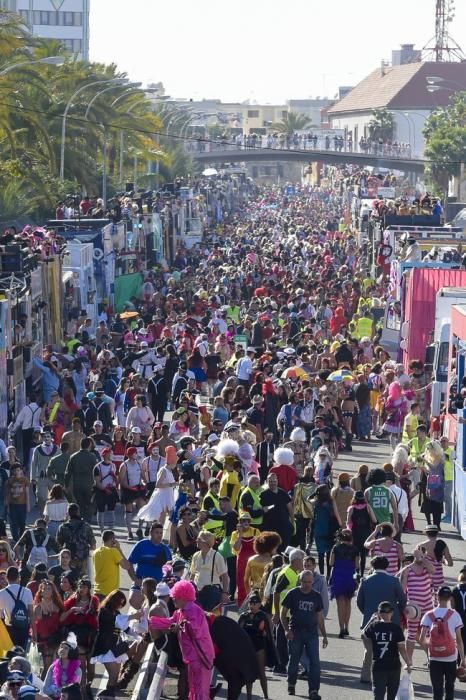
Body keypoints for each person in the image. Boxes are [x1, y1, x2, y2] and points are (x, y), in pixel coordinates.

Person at [149, 580, 215, 700]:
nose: (173, 600)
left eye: (175, 598)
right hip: (191, 657)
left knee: (200, 689)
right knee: (194, 688)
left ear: (183, 598)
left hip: (200, 657)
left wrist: (180, 626)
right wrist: (151, 621)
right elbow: (170, 621)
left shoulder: (195, 610)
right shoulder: (180, 611)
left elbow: (195, 629)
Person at [357, 556, 407, 684]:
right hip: (391, 620)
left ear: (373, 566)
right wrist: (396, 613)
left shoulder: (365, 580)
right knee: (392, 649)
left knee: (369, 649)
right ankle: (391, 676)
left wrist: (368, 613)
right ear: (387, 566)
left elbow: (359, 602)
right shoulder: (394, 581)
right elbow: (402, 600)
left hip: (370, 620)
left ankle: (366, 675)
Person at [280, 569, 328, 700]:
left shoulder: (316, 596)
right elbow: (283, 613)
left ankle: (313, 690)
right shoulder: (293, 594)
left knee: (315, 663)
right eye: (304, 582)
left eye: (310, 582)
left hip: (311, 633)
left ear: (313, 582)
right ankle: (291, 682)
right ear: (300, 581)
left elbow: (319, 617)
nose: (307, 584)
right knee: (294, 660)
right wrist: (286, 629)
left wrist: (324, 635)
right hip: (295, 632)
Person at [90, 590, 145, 698]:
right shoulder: (104, 611)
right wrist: (133, 616)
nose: (121, 605)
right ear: (114, 600)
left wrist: (139, 637)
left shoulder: (116, 613)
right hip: (104, 647)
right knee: (113, 675)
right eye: (120, 602)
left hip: (114, 647)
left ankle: (106, 696)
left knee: (114, 677)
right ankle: (104, 696)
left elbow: (126, 629)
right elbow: (117, 621)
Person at [419, 586, 465, 700]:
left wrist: (429, 652)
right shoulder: (455, 615)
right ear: (450, 598)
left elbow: (421, 639)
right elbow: (459, 640)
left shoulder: (429, 615)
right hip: (451, 657)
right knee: (450, 688)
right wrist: (463, 659)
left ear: (437, 597)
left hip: (434, 658)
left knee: (437, 690)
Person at [364, 600, 411, 700]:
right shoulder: (396, 628)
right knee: (392, 694)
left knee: (378, 693)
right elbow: (402, 648)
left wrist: (371, 620)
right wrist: (408, 662)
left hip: (378, 665)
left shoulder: (374, 626)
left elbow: (364, 634)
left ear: (379, 613)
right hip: (393, 665)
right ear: (392, 613)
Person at [399, 545, 434, 665]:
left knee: (430, 632)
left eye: (423, 554)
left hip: (428, 605)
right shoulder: (407, 569)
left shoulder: (426, 566)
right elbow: (402, 589)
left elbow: (433, 570)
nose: (421, 556)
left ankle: (431, 659)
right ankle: (408, 662)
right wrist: (404, 606)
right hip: (414, 607)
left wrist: (422, 558)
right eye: (418, 554)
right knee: (412, 634)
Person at [238, 591, 274, 700]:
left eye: (255, 603)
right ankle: (249, 697)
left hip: (259, 647)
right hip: (248, 648)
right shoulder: (244, 616)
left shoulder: (263, 616)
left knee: (261, 672)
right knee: (249, 673)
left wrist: (265, 632)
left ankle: (266, 696)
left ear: (259, 604)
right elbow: (237, 631)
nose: (252, 605)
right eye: (250, 603)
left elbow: (269, 632)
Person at [329, 529, 359, 638]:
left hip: (338, 575)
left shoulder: (335, 548)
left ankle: (341, 628)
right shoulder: (355, 549)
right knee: (348, 602)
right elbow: (357, 565)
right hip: (349, 575)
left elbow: (331, 563)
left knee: (340, 603)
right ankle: (347, 627)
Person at [189, 531, 229, 611]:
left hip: (212, 592)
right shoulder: (196, 556)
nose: (196, 541)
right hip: (197, 592)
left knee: (209, 617)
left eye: (199, 539)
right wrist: (190, 588)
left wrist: (224, 593)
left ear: (205, 542)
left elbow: (225, 576)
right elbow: (192, 574)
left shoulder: (217, 556)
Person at [92, 531, 135, 600]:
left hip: (97, 590)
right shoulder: (113, 551)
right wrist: (119, 549)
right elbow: (127, 566)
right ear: (112, 540)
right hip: (110, 592)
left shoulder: (95, 552)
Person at [63, 439, 98, 522]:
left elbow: (67, 472)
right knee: (90, 502)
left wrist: (66, 484)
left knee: (79, 502)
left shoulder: (73, 456)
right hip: (89, 483)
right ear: (89, 445)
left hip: (77, 483)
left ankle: (81, 518)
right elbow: (97, 471)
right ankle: (88, 518)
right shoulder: (92, 456)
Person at [56, 504, 96, 576]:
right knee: (83, 580)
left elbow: (58, 545)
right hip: (83, 558)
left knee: (69, 579)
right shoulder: (86, 526)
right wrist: (84, 549)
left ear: (68, 513)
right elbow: (93, 546)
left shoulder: (63, 527)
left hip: (68, 558)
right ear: (78, 512)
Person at [0, 567, 33, 648]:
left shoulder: (2, 593)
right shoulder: (27, 591)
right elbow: (31, 614)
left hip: (10, 629)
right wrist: (34, 633)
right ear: (19, 577)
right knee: (23, 654)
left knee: (11, 655)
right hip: (24, 628)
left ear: (7, 578)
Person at [260, 473, 293, 551]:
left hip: (284, 526)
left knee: (284, 547)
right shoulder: (263, 495)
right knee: (270, 548)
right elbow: (261, 509)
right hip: (270, 527)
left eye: (274, 481)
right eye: (270, 481)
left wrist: (292, 520)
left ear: (277, 481)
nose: (273, 483)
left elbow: (290, 507)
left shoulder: (283, 493)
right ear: (267, 482)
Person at [92, 448, 119, 532]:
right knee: (101, 510)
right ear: (105, 455)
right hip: (101, 491)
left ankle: (111, 531)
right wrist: (104, 489)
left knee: (111, 510)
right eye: (110, 454)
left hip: (111, 490)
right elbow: (97, 482)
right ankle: (102, 531)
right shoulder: (97, 467)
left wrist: (114, 477)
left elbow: (117, 480)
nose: (112, 455)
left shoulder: (113, 466)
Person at [5, 466, 30, 543]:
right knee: (13, 523)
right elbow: (8, 492)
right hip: (13, 505)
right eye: (15, 470)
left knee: (22, 522)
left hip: (22, 504)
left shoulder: (25, 480)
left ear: (21, 470)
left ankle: (21, 538)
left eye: (18, 470)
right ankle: (16, 539)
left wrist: (28, 505)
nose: (17, 472)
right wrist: (7, 502)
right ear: (13, 471)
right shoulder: (10, 481)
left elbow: (27, 493)